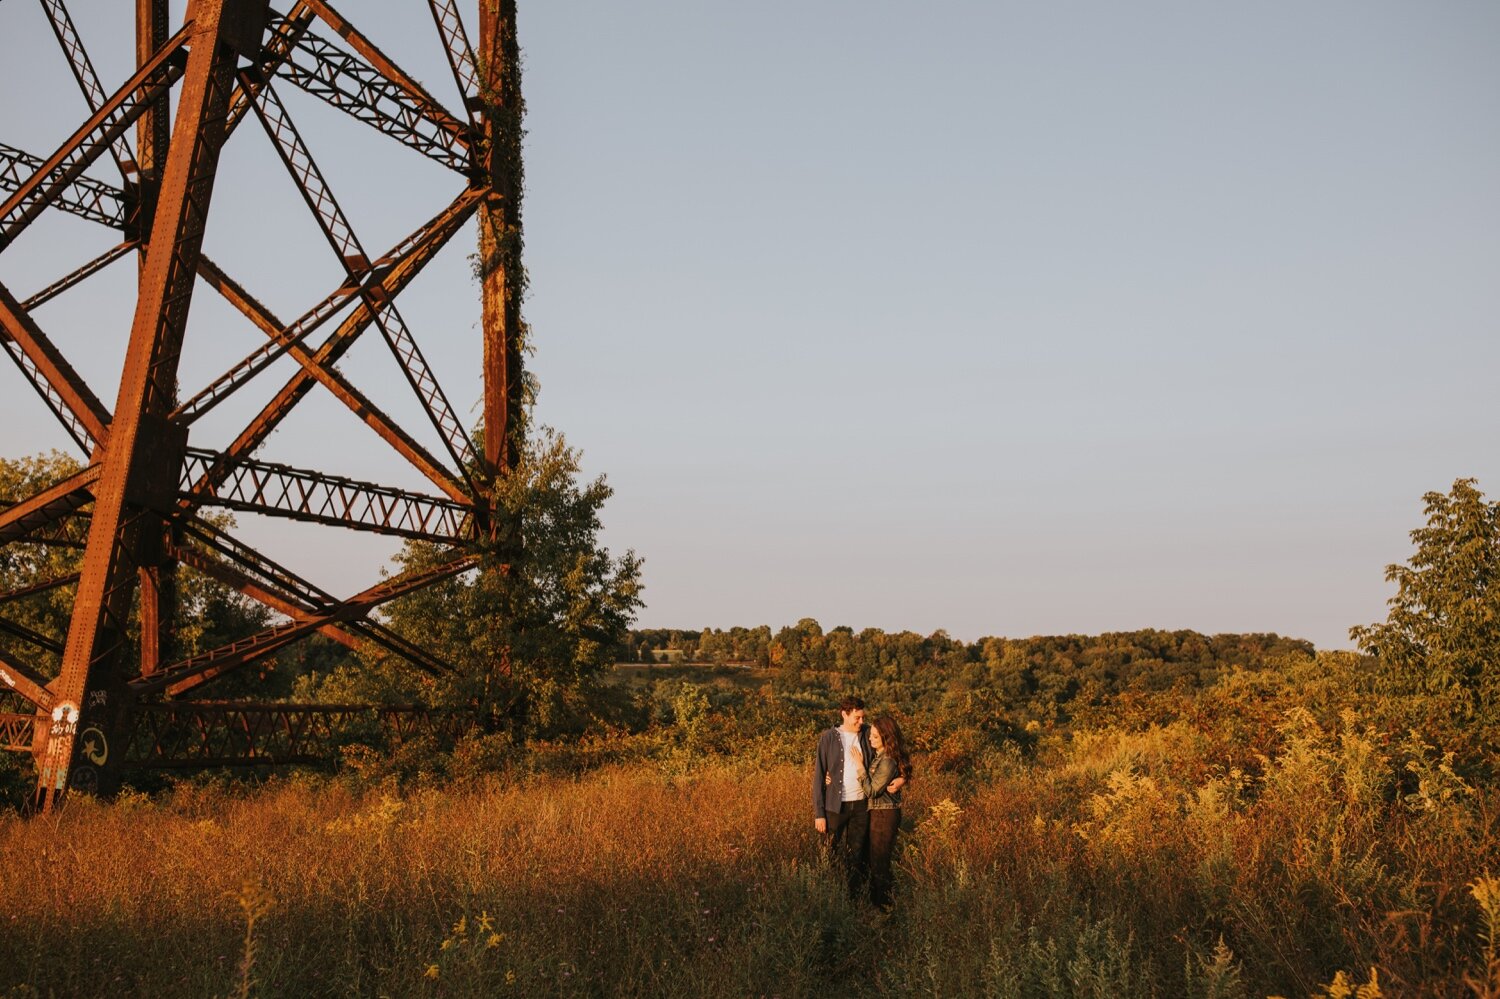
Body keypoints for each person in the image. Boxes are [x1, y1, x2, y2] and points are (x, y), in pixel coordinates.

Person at [811, 696, 903, 900]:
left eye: (863, 717)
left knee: (857, 854)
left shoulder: (869, 733)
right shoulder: (827, 738)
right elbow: (819, 776)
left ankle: (854, 898)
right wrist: (819, 813)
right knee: (830, 853)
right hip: (834, 807)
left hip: (862, 806)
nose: (861, 722)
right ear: (844, 714)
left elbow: (895, 753)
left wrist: (903, 778)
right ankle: (830, 895)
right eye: (857, 717)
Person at [860, 715, 912, 911]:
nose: (870, 739)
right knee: (874, 860)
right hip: (878, 813)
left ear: (885, 737)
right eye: (870, 735)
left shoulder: (888, 760)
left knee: (880, 862)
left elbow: (872, 790)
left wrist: (858, 767)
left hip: (885, 814)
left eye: (874, 736)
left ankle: (885, 908)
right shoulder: (881, 755)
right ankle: (879, 905)